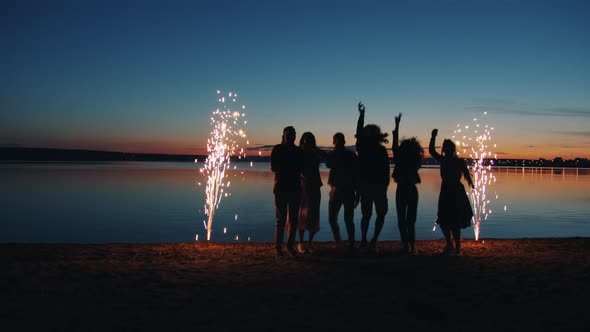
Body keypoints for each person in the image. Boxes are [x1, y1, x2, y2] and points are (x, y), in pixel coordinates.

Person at [429, 128, 475, 255]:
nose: (447, 150)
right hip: (451, 191)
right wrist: (433, 137)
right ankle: (452, 246)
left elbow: (466, 174)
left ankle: (454, 247)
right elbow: (432, 151)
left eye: (448, 148)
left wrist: (433, 137)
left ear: (450, 149)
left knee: (451, 220)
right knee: (447, 220)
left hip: (452, 191)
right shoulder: (449, 160)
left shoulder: (453, 161)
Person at [355, 102, 390, 253]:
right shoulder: (363, 148)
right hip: (369, 186)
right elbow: (358, 131)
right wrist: (361, 116)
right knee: (367, 215)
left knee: (377, 214)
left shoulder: (378, 150)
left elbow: (386, 170)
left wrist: (385, 185)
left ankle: (372, 240)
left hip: (375, 186)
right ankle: (365, 239)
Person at [391, 113, 424, 255]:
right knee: (408, 220)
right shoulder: (414, 160)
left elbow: (394, 146)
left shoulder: (408, 160)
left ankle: (409, 246)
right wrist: (397, 127)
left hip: (405, 190)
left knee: (405, 220)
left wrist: (397, 127)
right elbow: (394, 146)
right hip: (409, 190)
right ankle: (409, 246)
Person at [271, 126, 304, 257]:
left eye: (293, 134)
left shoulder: (298, 151)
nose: (291, 136)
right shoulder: (278, 149)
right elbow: (273, 167)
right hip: (281, 188)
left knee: (294, 219)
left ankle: (289, 246)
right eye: (289, 134)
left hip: (295, 188)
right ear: (284, 135)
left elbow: (302, 168)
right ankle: (279, 248)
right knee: (281, 219)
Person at [326, 132, 358, 250]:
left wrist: (357, 193)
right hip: (341, 190)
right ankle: (344, 241)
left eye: (338, 140)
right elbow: (328, 163)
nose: (337, 143)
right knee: (342, 219)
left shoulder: (346, 155)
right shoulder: (348, 155)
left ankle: (346, 242)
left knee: (343, 218)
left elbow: (356, 175)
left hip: (345, 190)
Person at [297, 132, 326, 254]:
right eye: (306, 139)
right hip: (302, 186)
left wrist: (315, 148)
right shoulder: (299, 152)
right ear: (302, 141)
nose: (308, 142)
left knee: (313, 214)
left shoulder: (315, 153)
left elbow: (325, 156)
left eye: (310, 139)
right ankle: (301, 242)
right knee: (302, 214)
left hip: (314, 186)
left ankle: (310, 243)